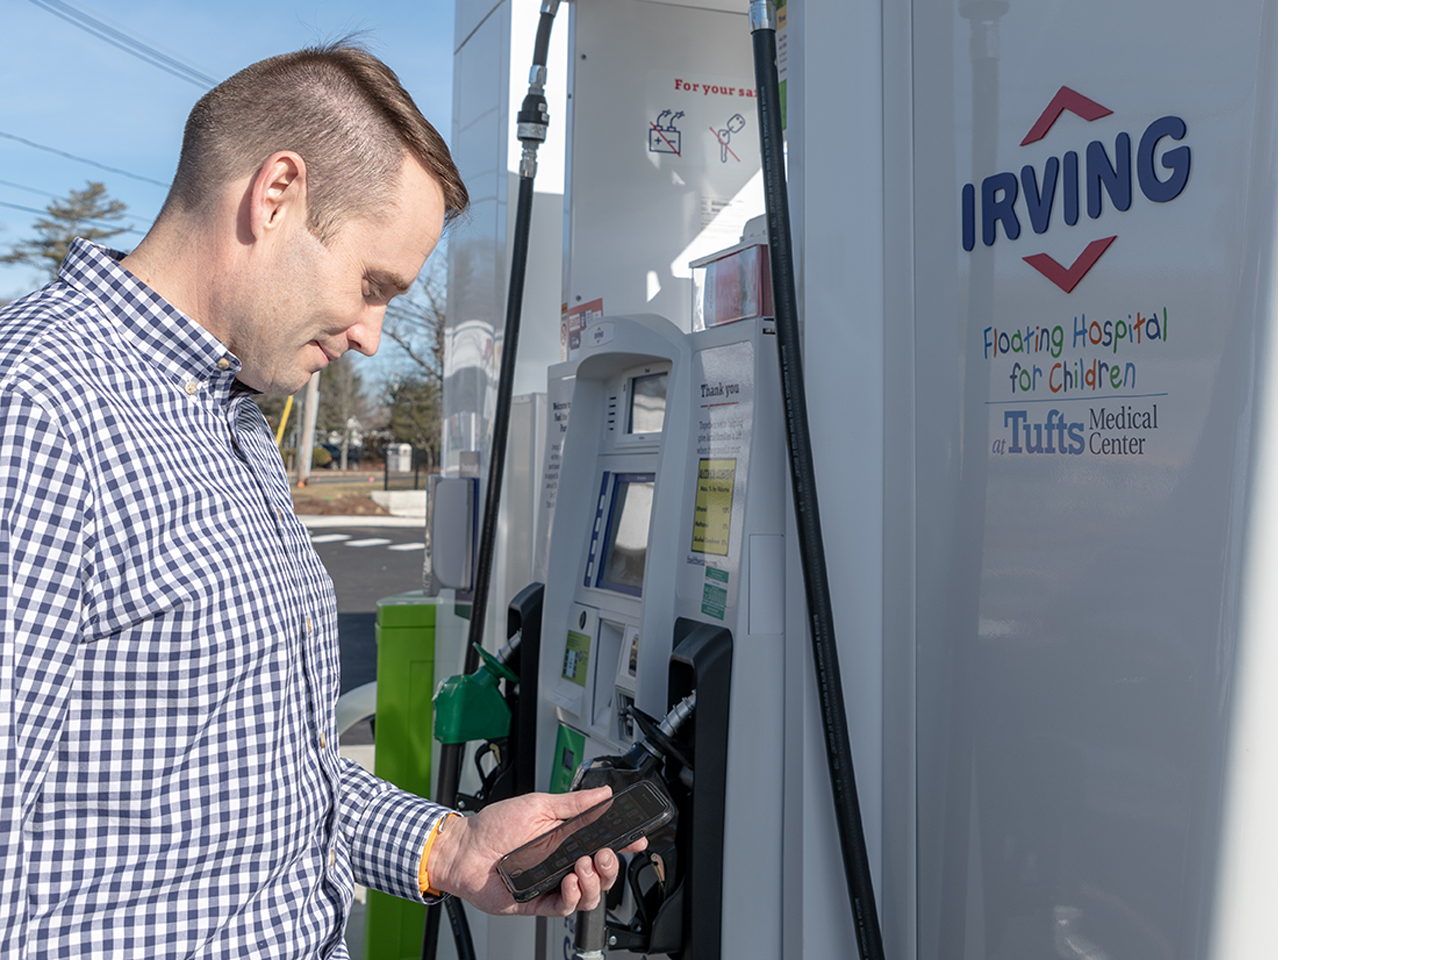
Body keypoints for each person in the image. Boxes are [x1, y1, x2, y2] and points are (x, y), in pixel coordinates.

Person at [0, 43, 634, 957]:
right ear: (275, 194)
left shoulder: (232, 422)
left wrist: (452, 846)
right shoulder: (37, 406)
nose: (374, 335)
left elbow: (258, 778)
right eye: (374, 285)